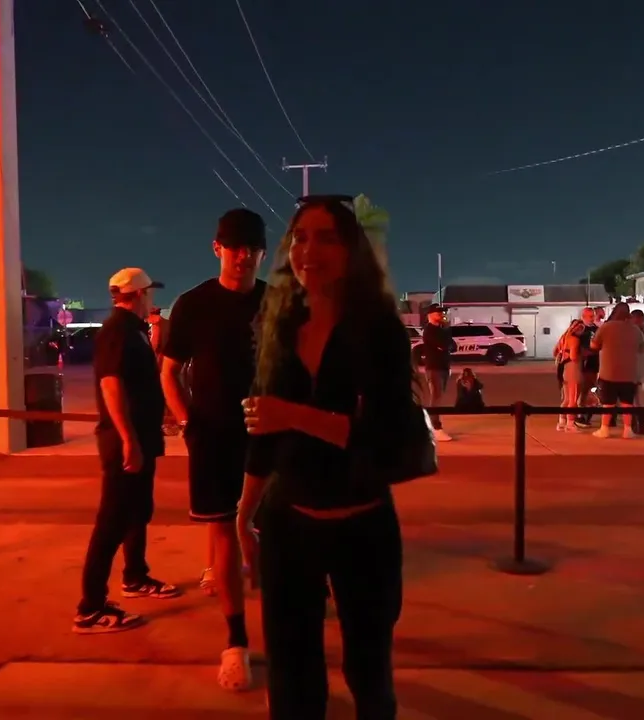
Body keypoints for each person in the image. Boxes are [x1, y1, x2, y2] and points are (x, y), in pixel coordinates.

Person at [237, 194, 414, 718]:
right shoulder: (279, 324)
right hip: (288, 526)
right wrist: (244, 514)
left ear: (352, 250)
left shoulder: (379, 330)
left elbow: (383, 436)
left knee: (369, 672)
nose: (309, 250)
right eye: (300, 238)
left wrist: (293, 415)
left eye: (327, 238)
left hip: (363, 528)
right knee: (292, 678)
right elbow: (263, 430)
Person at [160, 208, 268, 690]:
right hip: (214, 436)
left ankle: (282, 623)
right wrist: (188, 424)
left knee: (275, 532)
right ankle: (235, 643)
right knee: (223, 531)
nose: (244, 256)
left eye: (253, 248)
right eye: (235, 247)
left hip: (269, 434)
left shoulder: (277, 303)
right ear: (217, 248)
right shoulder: (192, 304)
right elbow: (169, 372)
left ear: (262, 253)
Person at [72, 267, 180, 635]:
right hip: (125, 442)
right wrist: (128, 440)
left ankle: (135, 576)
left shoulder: (134, 330)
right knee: (112, 522)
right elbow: (111, 385)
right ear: (139, 295)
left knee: (138, 511)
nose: (153, 299)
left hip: (141, 438)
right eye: (150, 293)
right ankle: (90, 608)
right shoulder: (116, 331)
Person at [590, 302, 644, 439]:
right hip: (629, 372)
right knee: (627, 403)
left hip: (609, 371)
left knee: (608, 403)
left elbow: (594, 345)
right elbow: (643, 348)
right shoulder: (635, 329)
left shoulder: (606, 327)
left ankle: (604, 429)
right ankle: (627, 429)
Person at [418, 303, 453, 441]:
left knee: (439, 397)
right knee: (436, 398)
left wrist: (447, 342)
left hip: (444, 366)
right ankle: (436, 428)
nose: (441, 314)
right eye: (438, 312)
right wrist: (446, 345)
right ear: (430, 315)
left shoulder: (442, 329)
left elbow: (452, 345)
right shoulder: (429, 330)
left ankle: (432, 427)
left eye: (442, 312)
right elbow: (444, 345)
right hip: (434, 367)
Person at [554, 319, 585, 431]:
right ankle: (570, 424)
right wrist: (583, 354)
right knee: (573, 398)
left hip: (564, 368)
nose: (582, 332)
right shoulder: (575, 339)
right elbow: (573, 356)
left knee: (566, 398)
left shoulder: (563, 338)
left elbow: (555, 352)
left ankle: (561, 422)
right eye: (581, 329)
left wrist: (563, 354)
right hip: (573, 368)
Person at [575, 308, 601, 427]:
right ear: (583, 316)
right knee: (583, 390)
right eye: (590, 316)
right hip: (583, 364)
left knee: (591, 388)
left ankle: (585, 414)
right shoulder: (580, 330)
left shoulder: (596, 329)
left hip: (594, 364)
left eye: (593, 316)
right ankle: (580, 414)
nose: (592, 318)